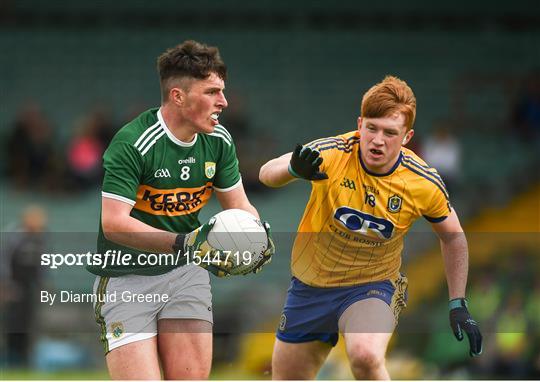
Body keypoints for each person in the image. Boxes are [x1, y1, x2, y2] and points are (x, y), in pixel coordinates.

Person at [259, 76, 482, 380]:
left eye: (390, 132)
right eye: (371, 128)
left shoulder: (423, 182)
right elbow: (266, 173)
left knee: (365, 355)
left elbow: (453, 239)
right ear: (360, 123)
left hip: (372, 286)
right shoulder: (333, 153)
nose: (378, 140)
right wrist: (292, 170)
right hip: (310, 287)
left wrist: (457, 302)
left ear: (407, 136)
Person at [87, 40, 273, 380]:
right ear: (178, 96)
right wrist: (185, 242)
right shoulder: (133, 143)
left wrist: (256, 235)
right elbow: (114, 223)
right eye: (212, 92)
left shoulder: (219, 140)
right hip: (127, 278)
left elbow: (240, 205)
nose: (224, 102)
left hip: (185, 275)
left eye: (223, 91)